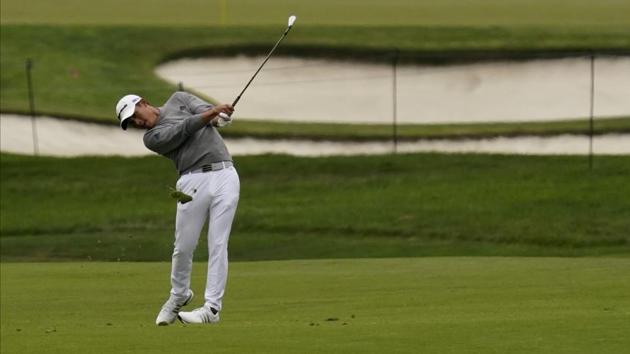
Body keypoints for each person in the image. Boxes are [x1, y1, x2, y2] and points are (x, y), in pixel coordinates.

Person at [115, 92, 239, 325]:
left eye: (134, 116)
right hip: (191, 182)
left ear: (142, 102)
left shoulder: (179, 99)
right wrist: (212, 112)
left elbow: (211, 116)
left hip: (225, 174)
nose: (137, 123)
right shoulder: (152, 138)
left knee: (218, 243)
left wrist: (221, 116)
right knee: (183, 247)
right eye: (131, 123)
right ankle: (179, 295)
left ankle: (211, 309)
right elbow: (183, 129)